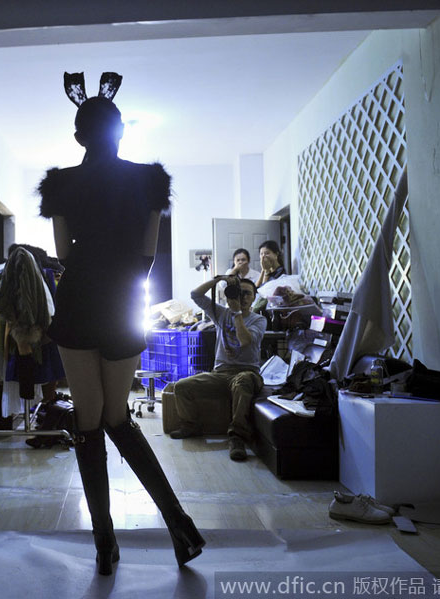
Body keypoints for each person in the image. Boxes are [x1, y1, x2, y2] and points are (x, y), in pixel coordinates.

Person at [39, 71, 204, 575]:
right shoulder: (149, 180)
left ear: (79, 137)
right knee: (118, 417)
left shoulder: (61, 184)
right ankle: (179, 526)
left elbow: (64, 253)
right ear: (120, 132)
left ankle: (104, 546)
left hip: (77, 301)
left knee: (88, 421)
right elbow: (148, 254)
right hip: (123, 302)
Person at [170, 274, 267, 462]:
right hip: (221, 374)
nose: (243, 297)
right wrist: (218, 280)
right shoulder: (221, 313)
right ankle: (191, 426)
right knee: (182, 386)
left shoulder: (258, 320)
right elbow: (195, 295)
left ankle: (237, 437)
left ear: (254, 297)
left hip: (248, 373)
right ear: (232, 294)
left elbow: (245, 341)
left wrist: (237, 313)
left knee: (242, 381)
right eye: (239, 292)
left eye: (247, 293)